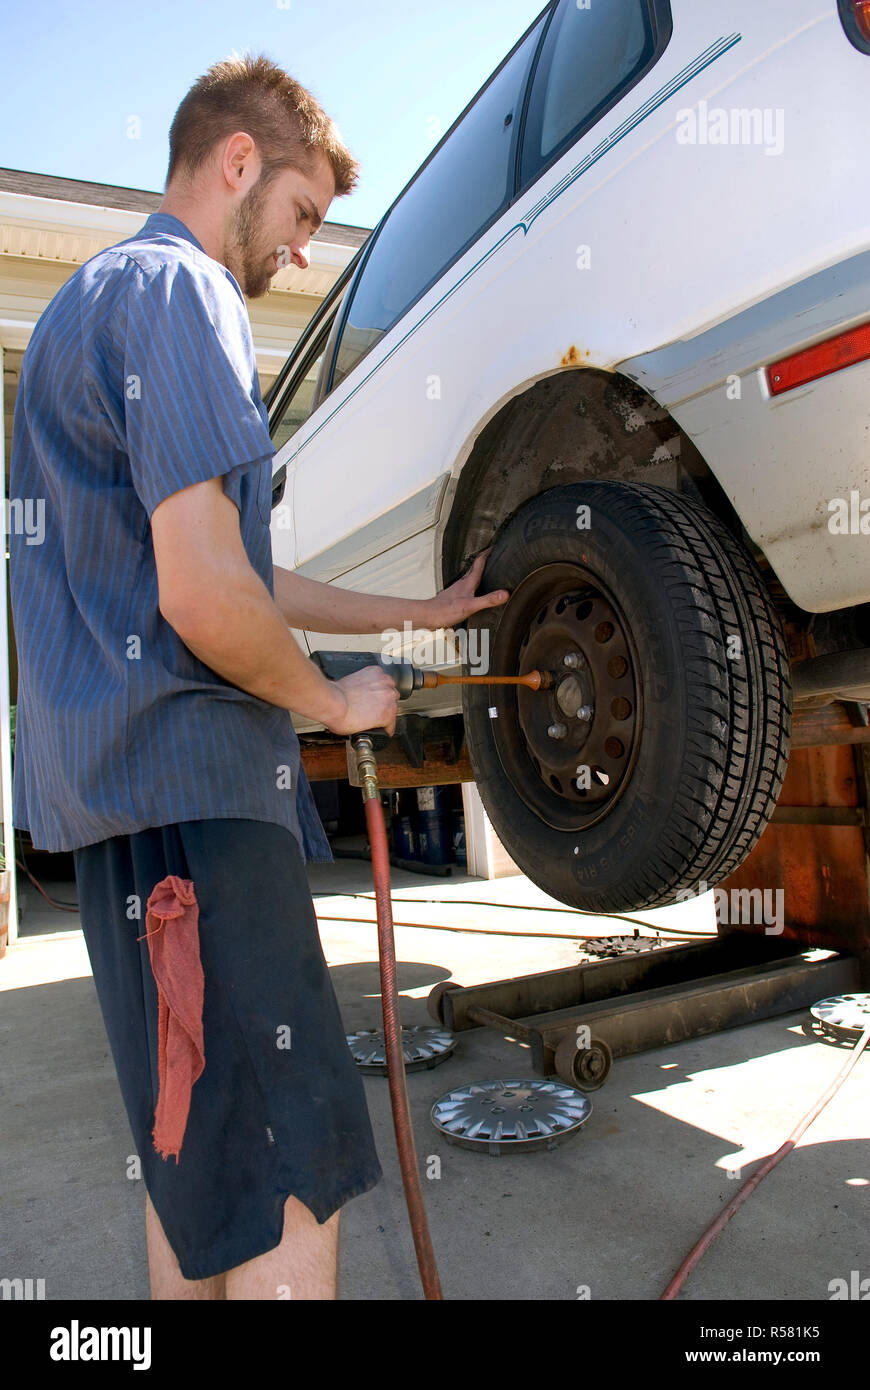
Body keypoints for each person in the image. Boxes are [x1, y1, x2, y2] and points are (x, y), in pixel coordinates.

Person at [8, 53, 508, 1300]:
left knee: (197, 1168)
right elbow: (204, 597)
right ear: (238, 161)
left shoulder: (82, 309)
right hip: (204, 806)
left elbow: (231, 568)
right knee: (293, 1170)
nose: (300, 252)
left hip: (127, 821)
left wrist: (414, 616)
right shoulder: (182, 292)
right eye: (299, 215)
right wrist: (332, 702)